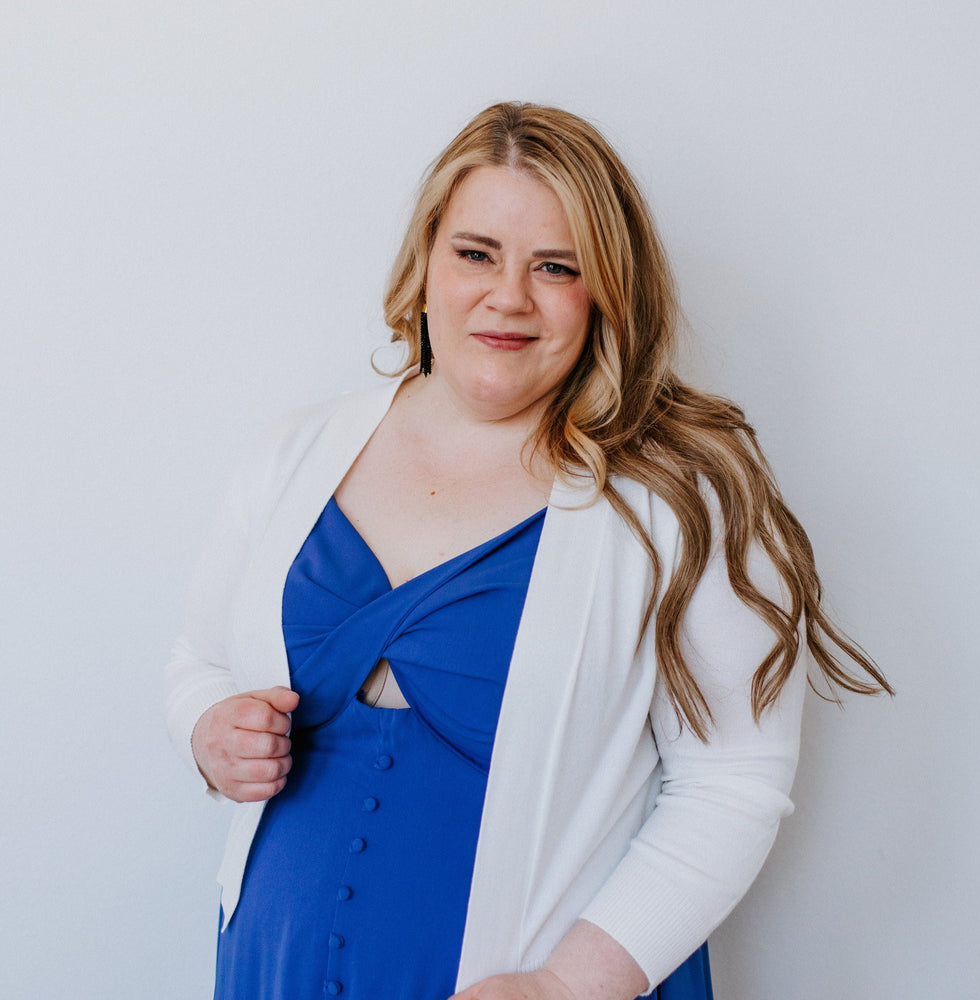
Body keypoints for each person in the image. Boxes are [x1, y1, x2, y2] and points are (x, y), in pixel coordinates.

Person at [165, 102, 891, 1000]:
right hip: (270, 969)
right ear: (426, 259)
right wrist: (208, 730)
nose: (508, 297)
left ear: (609, 290)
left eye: (556, 266)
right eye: (477, 253)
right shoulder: (295, 454)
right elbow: (199, 661)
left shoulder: (677, 495)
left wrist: (567, 986)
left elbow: (734, 781)